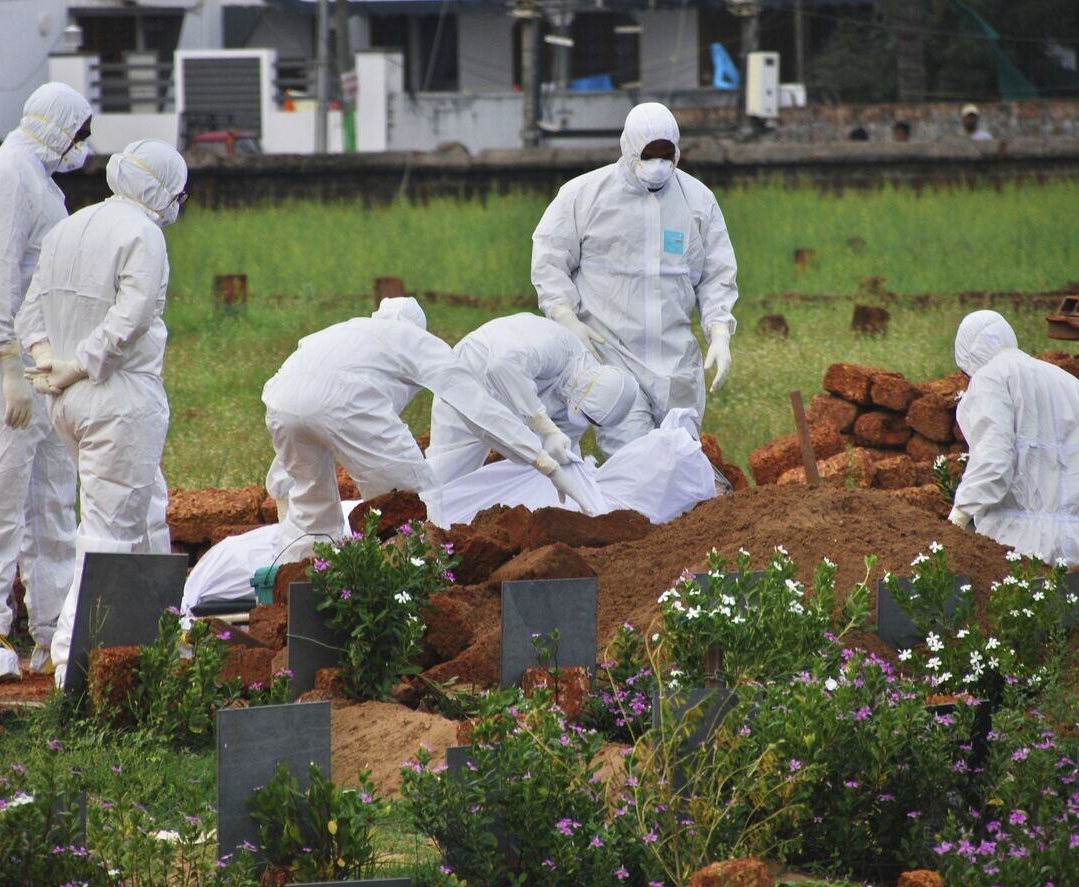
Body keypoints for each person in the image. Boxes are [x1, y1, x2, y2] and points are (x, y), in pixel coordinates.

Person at [15, 139, 187, 687]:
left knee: (146, 506)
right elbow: (132, 315)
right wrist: (83, 363)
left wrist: (51, 362)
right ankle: (73, 669)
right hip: (119, 397)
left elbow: (29, 311)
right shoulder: (144, 232)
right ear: (159, 188)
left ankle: (163, 633)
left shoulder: (70, 226)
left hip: (68, 401)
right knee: (109, 532)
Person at [262, 297, 594, 562]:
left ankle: (294, 587)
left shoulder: (341, 333)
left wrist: (283, 481)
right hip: (347, 401)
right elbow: (474, 401)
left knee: (312, 511)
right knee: (413, 502)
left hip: (280, 399)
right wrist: (539, 458)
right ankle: (422, 590)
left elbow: (302, 406)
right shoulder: (411, 339)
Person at [0, 82, 91, 683]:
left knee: (50, 501)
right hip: (1, 365)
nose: (83, 148)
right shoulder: (7, 176)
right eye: (81, 135)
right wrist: (7, 363)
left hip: (37, 365)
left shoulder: (36, 180)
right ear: (60, 127)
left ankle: (55, 628)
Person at [531, 101, 738, 454]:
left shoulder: (697, 200)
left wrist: (719, 331)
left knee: (679, 464)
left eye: (666, 154)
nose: (658, 164)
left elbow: (717, 272)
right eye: (649, 154)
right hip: (613, 360)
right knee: (632, 463)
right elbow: (549, 259)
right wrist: (566, 317)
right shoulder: (583, 196)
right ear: (629, 148)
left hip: (676, 368)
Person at [948, 310, 1079, 568]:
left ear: (969, 357)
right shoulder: (1069, 384)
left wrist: (960, 515)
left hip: (1011, 542)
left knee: (1020, 609)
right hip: (1076, 547)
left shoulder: (990, 378)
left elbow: (993, 458)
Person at [426, 313, 641, 483]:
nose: (586, 423)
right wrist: (543, 425)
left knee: (531, 475)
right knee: (446, 476)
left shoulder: (582, 402)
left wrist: (573, 473)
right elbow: (501, 366)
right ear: (587, 391)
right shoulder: (558, 346)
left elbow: (562, 447)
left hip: (512, 402)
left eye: (593, 422)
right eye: (589, 417)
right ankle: (419, 529)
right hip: (470, 373)